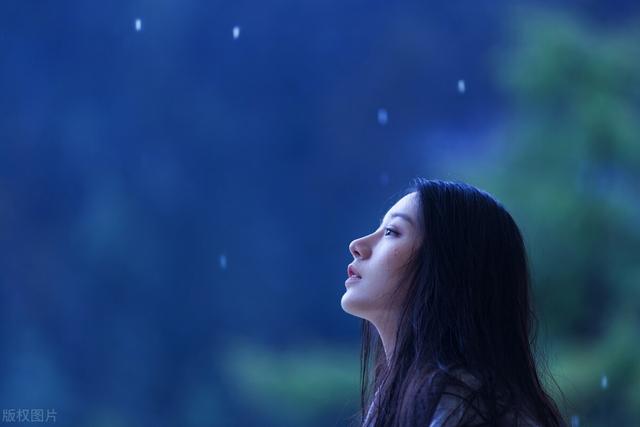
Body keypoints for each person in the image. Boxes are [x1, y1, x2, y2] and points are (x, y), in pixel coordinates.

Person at [341, 178, 567, 427]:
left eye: (391, 232)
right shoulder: (419, 400)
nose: (357, 245)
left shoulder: (466, 411)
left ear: (448, 269)